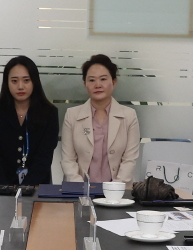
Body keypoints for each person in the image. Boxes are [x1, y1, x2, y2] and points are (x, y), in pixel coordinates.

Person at [60, 53, 140, 184]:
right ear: (85, 84)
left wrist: (114, 191)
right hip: (79, 192)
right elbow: (68, 159)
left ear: (113, 82)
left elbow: (129, 160)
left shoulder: (129, 116)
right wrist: (80, 189)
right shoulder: (72, 115)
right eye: (91, 80)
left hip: (119, 192)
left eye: (103, 79)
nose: (97, 85)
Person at [0, 55, 59, 187]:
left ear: (34, 81)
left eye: (26, 80)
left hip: (36, 186)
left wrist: (25, 189)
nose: (20, 86)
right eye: (14, 81)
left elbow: (44, 158)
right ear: (7, 83)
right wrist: (5, 189)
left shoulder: (49, 113)